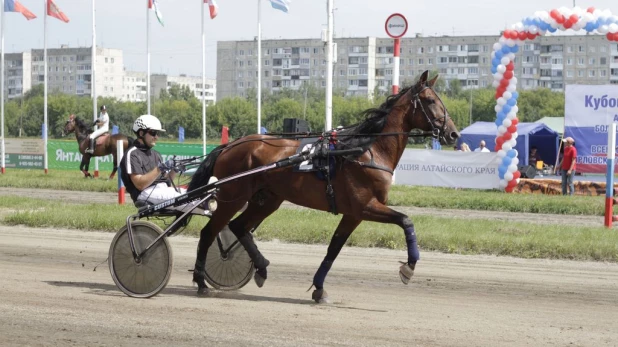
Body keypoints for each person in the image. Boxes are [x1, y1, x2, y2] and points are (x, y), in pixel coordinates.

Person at [120, 114, 210, 214]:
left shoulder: (156, 154)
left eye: (157, 133)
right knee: (196, 202)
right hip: (145, 194)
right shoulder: (132, 154)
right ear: (141, 133)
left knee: (198, 194)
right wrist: (160, 168)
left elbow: (166, 181)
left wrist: (174, 170)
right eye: (153, 133)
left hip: (163, 189)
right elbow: (140, 185)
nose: (156, 137)